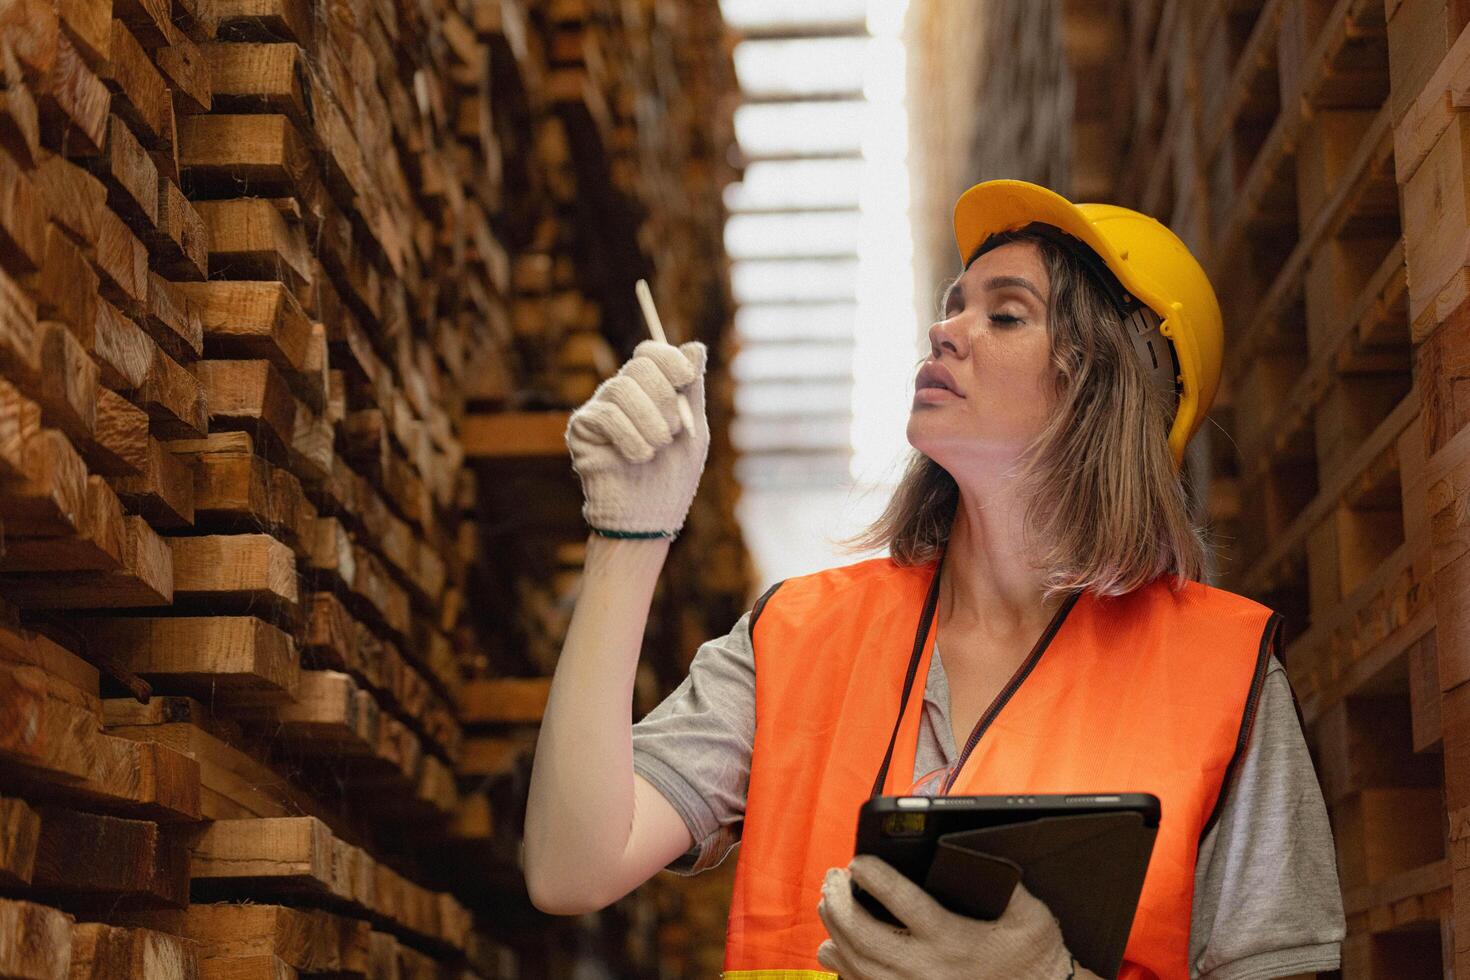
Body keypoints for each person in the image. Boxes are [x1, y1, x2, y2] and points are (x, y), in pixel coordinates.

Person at [522, 179, 1346, 979]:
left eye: (1005, 313)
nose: (944, 329)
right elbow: (570, 869)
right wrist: (629, 532)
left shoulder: (1221, 678)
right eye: (955, 303)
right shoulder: (799, 636)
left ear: (1113, 383)